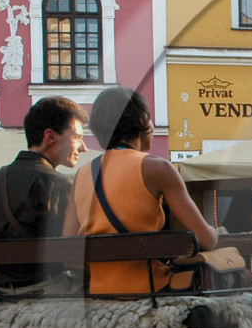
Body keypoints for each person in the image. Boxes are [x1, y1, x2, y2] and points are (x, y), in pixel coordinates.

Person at [72, 87, 218, 296]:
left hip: (99, 294)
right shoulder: (158, 168)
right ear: (142, 121)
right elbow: (206, 240)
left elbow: (68, 249)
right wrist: (217, 232)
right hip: (151, 292)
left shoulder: (82, 175)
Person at [0, 95, 88, 293]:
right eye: (77, 137)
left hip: (2, 294)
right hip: (51, 291)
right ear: (50, 137)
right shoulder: (58, 185)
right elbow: (73, 256)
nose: (83, 147)